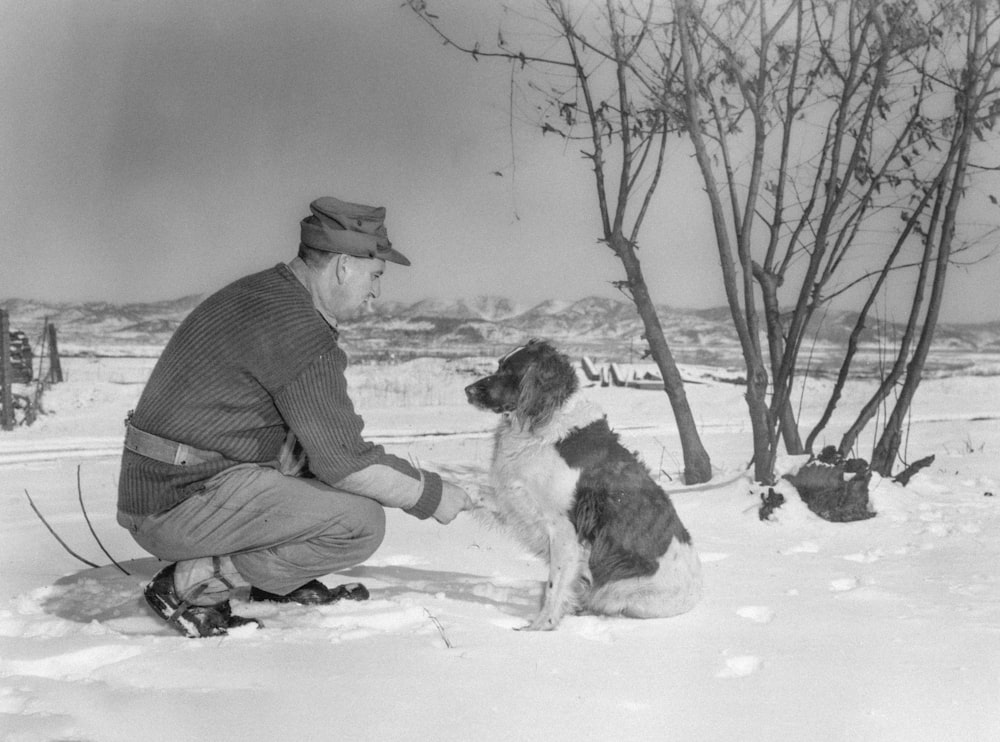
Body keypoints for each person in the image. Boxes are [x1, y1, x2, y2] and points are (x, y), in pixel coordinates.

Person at [117, 196, 473, 638]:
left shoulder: (266, 293)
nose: (376, 294)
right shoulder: (298, 329)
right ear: (344, 265)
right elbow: (349, 465)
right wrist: (431, 494)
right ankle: (191, 586)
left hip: (162, 492)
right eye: (375, 276)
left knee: (308, 458)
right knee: (360, 523)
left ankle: (273, 583)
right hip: (174, 507)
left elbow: (317, 447)